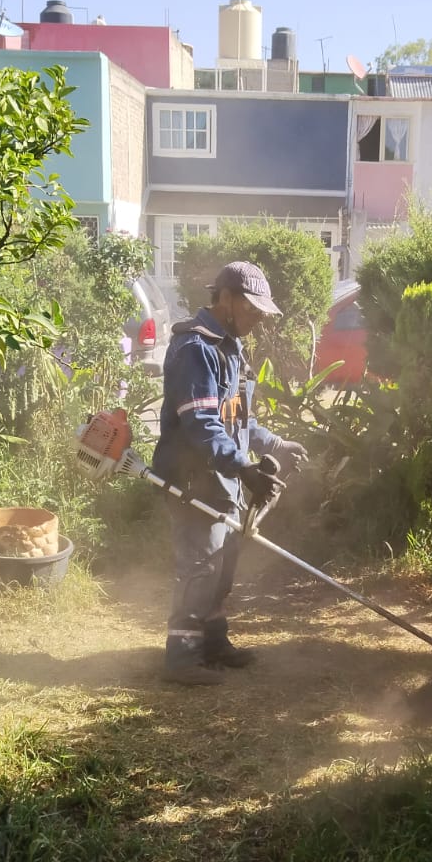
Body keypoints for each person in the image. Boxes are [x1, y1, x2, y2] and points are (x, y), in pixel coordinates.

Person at [151, 260, 307, 686]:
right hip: (192, 480)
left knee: (222, 566)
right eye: (252, 308)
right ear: (225, 298)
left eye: (261, 310)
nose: (257, 317)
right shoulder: (194, 349)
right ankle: (182, 658)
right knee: (200, 566)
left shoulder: (229, 348)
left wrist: (274, 445)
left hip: (224, 481)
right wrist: (245, 469)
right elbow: (202, 424)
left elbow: (237, 420)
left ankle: (214, 642)